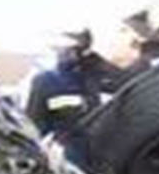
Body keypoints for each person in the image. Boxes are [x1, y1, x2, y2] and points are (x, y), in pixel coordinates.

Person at [24, 29, 120, 158]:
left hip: (109, 156)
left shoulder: (106, 75)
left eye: (78, 48)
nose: (72, 53)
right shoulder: (46, 81)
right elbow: (35, 125)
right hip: (70, 159)